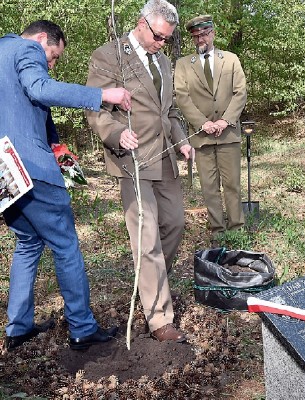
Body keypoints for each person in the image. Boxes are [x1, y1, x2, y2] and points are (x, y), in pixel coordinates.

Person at [0, 20, 131, 350]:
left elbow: (38, 118)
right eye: (54, 57)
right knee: (65, 244)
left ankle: (18, 327)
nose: (51, 65)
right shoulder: (27, 48)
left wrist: (70, 172)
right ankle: (83, 328)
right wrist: (102, 94)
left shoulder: (2, 50)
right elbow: (41, 90)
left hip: (3, 168)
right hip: (27, 164)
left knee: (28, 242)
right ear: (43, 39)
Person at [85, 0, 192, 342]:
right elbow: (95, 107)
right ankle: (160, 318)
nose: (162, 44)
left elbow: (169, 111)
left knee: (175, 224)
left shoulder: (162, 61)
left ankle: (153, 278)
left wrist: (181, 141)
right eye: (159, 37)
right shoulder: (109, 55)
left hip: (163, 158)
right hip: (132, 159)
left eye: (167, 39)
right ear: (142, 24)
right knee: (146, 240)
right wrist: (116, 133)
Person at [174, 15, 247, 237]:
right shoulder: (183, 65)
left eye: (204, 34)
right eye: (196, 36)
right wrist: (202, 123)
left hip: (229, 134)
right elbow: (181, 97)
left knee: (232, 184)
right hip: (201, 136)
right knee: (209, 186)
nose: (200, 39)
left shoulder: (231, 59)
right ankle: (217, 229)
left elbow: (240, 92)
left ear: (213, 33)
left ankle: (237, 227)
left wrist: (225, 120)